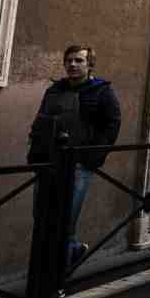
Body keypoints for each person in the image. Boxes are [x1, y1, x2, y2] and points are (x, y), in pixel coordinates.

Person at [28, 44, 122, 272]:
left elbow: (112, 126)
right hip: (49, 162)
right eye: (69, 60)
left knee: (66, 219)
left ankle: (57, 278)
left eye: (78, 60)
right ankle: (61, 260)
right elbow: (40, 121)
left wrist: (90, 158)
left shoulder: (102, 91)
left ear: (90, 65)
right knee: (42, 217)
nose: (72, 64)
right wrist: (35, 154)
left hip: (78, 165)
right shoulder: (55, 90)